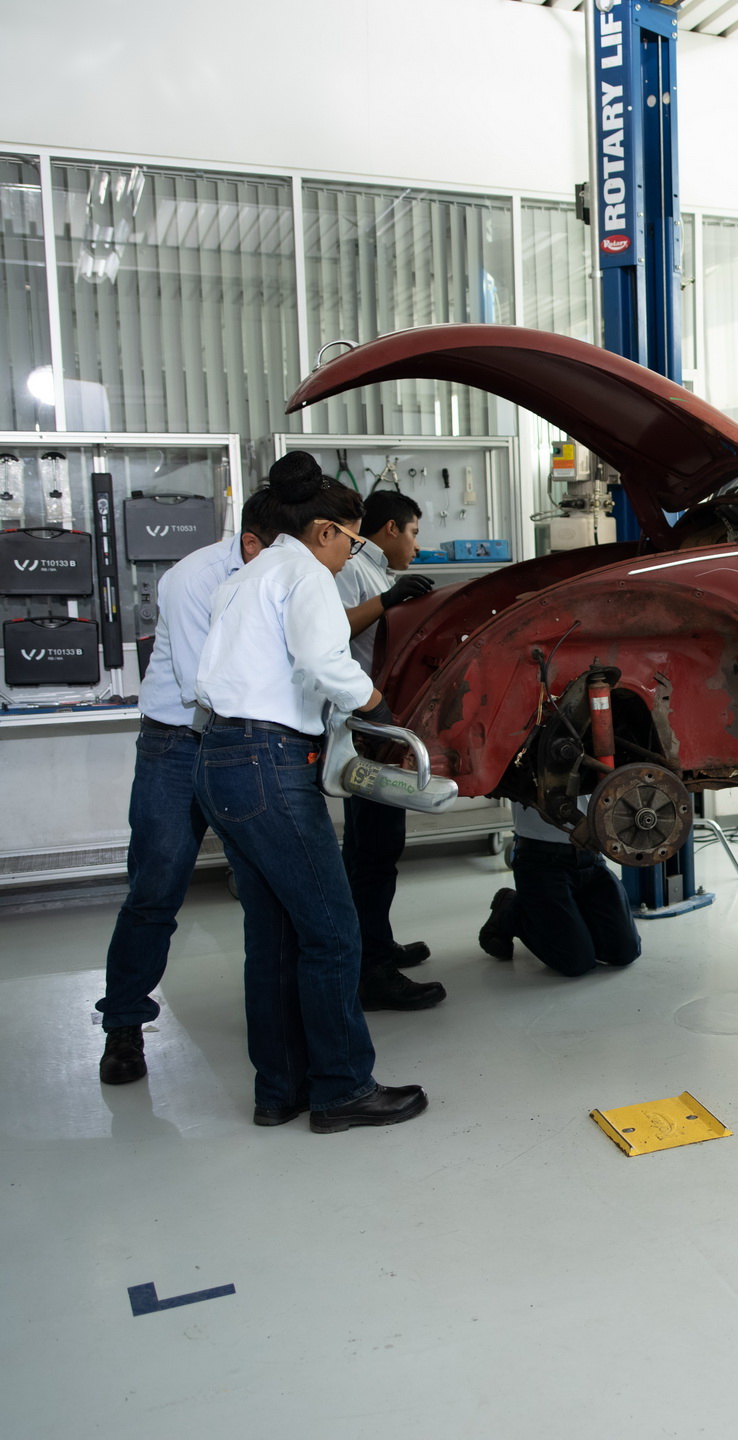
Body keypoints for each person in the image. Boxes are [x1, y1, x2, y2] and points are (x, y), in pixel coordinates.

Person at [193, 452, 426, 1132]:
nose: (351, 552)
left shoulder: (248, 576)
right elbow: (325, 661)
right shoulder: (304, 573)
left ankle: (280, 1088)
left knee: (273, 936)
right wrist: (379, 704)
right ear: (324, 530)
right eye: (352, 540)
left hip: (221, 758)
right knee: (332, 931)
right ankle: (343, 1089)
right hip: (270, 764)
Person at [95, 492, 279, 1085]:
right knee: (156, 887)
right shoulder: (192, 578)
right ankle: (123, 1023)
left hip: (247, 738)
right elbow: (207, 683)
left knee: (267, 891)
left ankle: (278, 1025)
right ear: (253, 543)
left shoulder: (279, 574)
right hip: (179, 744)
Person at [333, 488, 441, 1012]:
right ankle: (369, 968)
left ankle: (375, 944)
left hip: (379, 724)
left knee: (374, 849)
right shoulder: (354, 570)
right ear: (392, 529)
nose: (417, 546)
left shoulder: (374, 573)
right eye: (415, 532)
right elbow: (335, 638)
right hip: (367, 728)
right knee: (373, 850)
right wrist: (389, 602)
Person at [478, 802, 641, 977]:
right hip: (540, 860)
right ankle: (509, 909)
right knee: (575, 961)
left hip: (591, 857)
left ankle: (570, 920)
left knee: (625, 951)